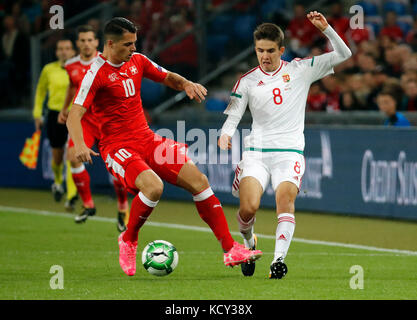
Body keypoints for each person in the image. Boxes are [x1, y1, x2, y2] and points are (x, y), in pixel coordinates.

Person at [66, 17, 262, 276]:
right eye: (128, 44)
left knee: (199, 180)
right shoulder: (96, 73)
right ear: (110, 44)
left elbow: (167, 76)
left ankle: (230, 249)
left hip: (147, 138)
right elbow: (74, 114)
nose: (134, 48)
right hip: (117, 146)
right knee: (153, 187)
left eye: (135, 43)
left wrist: (186, 84)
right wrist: (79, 144)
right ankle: (129, 238)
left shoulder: (137, 60)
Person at [218, 12, 352, 279]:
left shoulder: (300, 69)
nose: (264, 56)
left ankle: (278, 261)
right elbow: (234, 112)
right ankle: (248, 244)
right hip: (256, 153)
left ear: (281, 49)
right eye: (259, 50)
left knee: (285, 201)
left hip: (289, 152)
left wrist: (327, 29)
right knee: (248, 209)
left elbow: (344, 53)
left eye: (270, 50)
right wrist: (225, 133)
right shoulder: (247, 80)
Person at [58, 25, 129, 231]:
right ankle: (88, 204)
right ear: (77, 43)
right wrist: (65, 108)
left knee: (118, 168)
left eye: (90, 40)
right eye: (82, 40)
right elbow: (73, 87)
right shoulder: (70, 65)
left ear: (97, 42)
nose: (86, 44)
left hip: (108, 121)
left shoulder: (108, 61)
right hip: (86, 121)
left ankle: (122, 206)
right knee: (72, 156)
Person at [32, 38, 78, 209]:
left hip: (74, 115)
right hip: (54, 115)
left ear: (73, 51)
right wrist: (37, 114)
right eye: (61, 49)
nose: (64, 51)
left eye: (67, 48)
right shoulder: (48, 70)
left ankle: (72, 196)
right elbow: (40, 92)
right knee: (57, 156)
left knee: (71, 155)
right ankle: (58, 182)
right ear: (57, 52)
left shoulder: (79, 69)